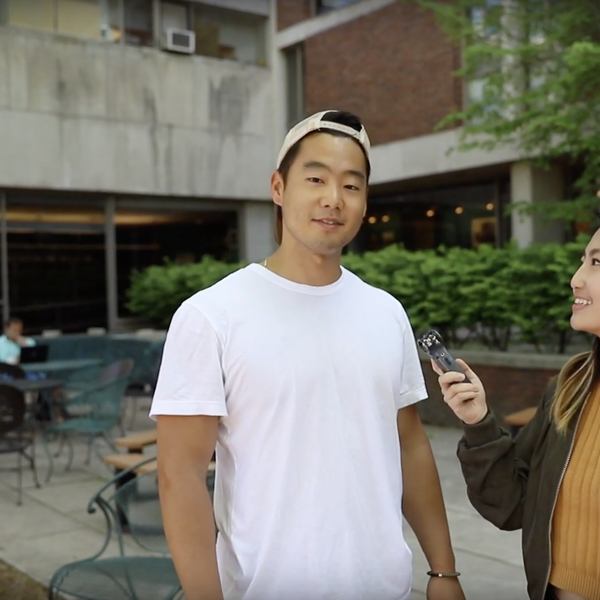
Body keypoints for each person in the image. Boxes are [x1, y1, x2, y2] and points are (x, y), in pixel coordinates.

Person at [151, 110, 466, 600]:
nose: (333, 198)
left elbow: (409, 444)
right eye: (315, 178)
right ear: (278, 188)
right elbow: (180, 475)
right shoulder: (211, 315)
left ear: (365, 201)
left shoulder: (385, 312)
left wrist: (443, 571)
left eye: (351, 185)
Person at [431, 224, 600, 600]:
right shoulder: (570, 385)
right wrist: (478, 422)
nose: (576, 279)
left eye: (597, 263)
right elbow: (513, 505)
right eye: (582, 261)